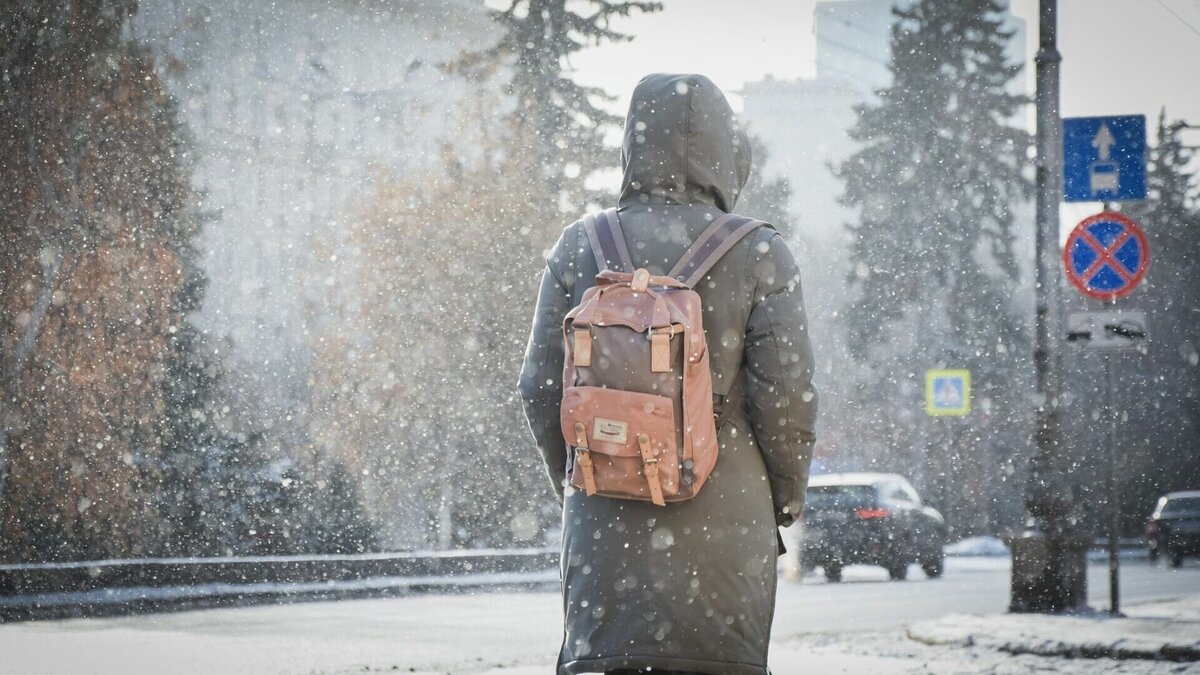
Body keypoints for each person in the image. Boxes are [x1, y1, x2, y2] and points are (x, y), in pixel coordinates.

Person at [518, 73, 818, 675]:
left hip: (605, 536)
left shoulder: (580, 245)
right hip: (726, 534)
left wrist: (585, 477)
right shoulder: (759, 253)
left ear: (631, 148)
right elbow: (786, 398)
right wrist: (781, 498)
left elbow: (540, 389)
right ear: (729, 155)